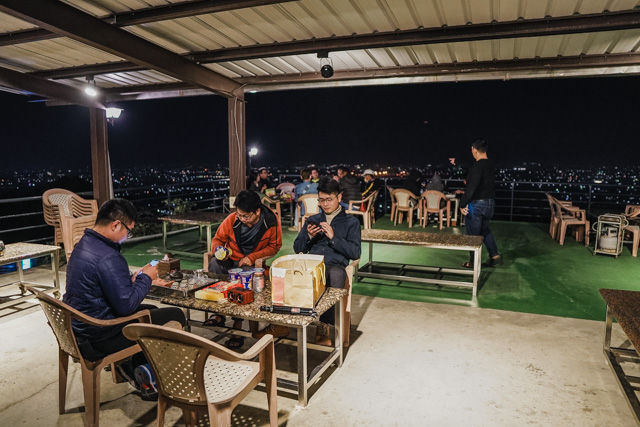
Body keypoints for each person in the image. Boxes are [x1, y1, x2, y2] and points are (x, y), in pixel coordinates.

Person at [64, 198, 186, 400]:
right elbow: (127, 306)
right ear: (115, 225)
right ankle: (153, 377)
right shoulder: (108, 256)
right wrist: (147, 277)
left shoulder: (84, 245)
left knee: (150, 309)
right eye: (128, 231)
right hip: (99, 337)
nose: (127, 237)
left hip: (81, 328)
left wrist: (128, 280)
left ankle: (134, 367)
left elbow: (101, 286)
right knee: (175, 315)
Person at [253, 178, 361, 346]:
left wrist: (334, 237)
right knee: (284, 272)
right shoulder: (314, 219)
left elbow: (355, 253)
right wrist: (309, 236)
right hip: (309, 264)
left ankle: (323, 326)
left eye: (329, 199)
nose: (325, 204)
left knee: (336, 274)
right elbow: (298, 248)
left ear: (339, 197)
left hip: (333, 265)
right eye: (321, 200)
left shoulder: (351, 222)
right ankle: (281, 324)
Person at [206, 190, 282, 348]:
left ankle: (237, 325)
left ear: (257, 211)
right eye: (239, 215)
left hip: (251, 264)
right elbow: (218, 239)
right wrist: (219, 251)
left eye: (246, 216)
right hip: (231, 259)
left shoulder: (271, 222)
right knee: (214, 264)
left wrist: (252, 257)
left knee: (246, 274)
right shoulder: (233, 219)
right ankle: (219, 313)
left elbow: (274, 247)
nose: (241, 219)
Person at [460, 138, 502, 268]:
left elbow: (472, 187)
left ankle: (473, 263)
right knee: (484, 230)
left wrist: (462, 204)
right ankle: (494, 256)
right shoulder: (491, 165)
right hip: (490, 204)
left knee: (472, 235)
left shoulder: (478, 165)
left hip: (477, 205)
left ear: (474, 150)